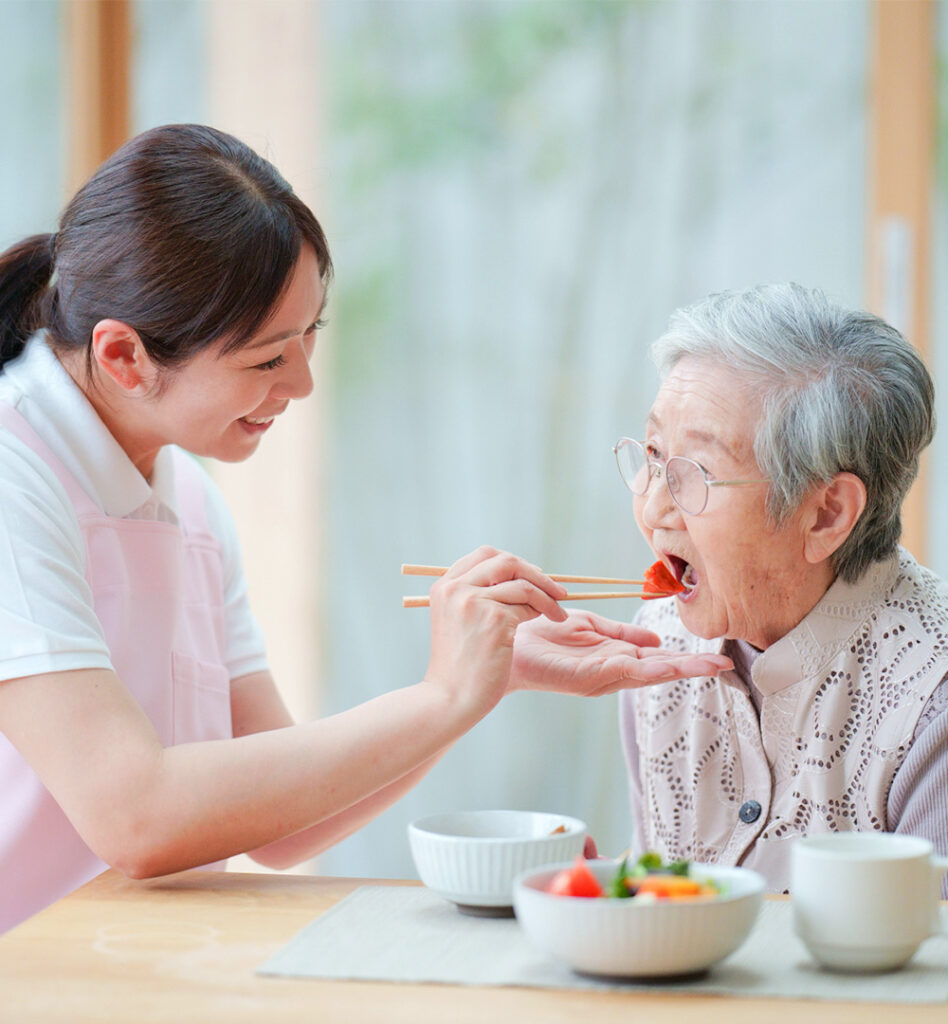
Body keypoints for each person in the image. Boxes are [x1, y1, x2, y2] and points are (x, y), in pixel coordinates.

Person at [0, 124, 731, 933]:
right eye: (267, 358)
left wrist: (487, 680)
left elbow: (286, 827)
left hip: (133, 966)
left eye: (310, 335)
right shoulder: (13, 474)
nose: (304, 382)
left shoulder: (186, 496)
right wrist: (443, 693)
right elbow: (134, 817)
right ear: (124, 357)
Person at [617, 282, 948, 892]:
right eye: (655, 453)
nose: (653, 505)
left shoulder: (932, 700)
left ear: (825, 514)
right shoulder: (655, 647)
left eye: (697, 471)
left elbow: (927, 973)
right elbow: (653, 905)